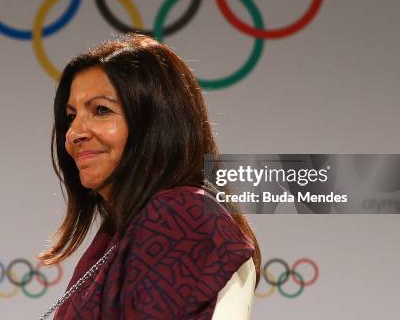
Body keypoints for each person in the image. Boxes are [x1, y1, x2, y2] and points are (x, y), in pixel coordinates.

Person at [36, 33, 260, 319]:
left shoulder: (179, 215)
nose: (74, 134)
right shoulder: (117, 235)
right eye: (71, 116)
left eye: (101, 110)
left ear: (155, 122)